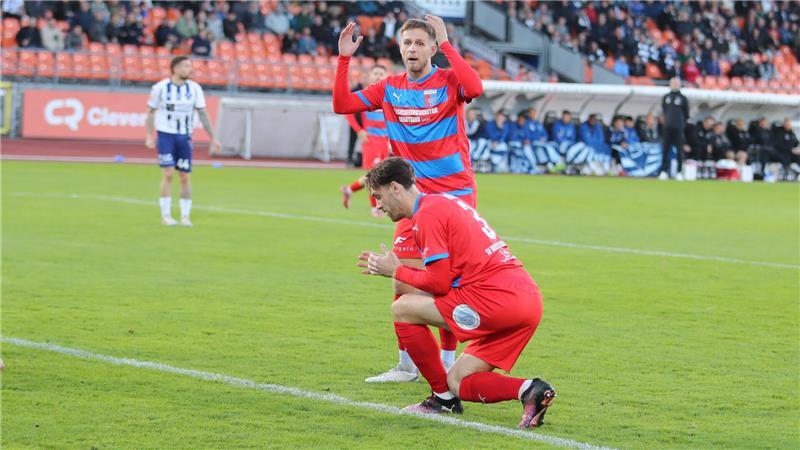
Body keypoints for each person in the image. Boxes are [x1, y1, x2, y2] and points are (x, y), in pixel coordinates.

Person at [333, 16, 484, 383]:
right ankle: (406, 366)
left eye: (420, 43)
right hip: (412, 199)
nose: (412, 49)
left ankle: (448, 361)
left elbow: (475, 87)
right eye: (407, 43)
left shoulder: (449, 81)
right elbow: (342, 105)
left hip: (454, 194)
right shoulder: (389, 88)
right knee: (401, 280)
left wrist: (448, 43)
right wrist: (343, 60)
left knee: (448, 281)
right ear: (399, 48)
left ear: (432, 48)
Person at [358, 157, 556, 426]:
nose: (378, 205)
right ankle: (530, 390)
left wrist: (396, 270)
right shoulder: (443, 203)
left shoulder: (425, 215)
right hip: (526, 298)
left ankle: (442, 400)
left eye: (377, 196)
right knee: (458, 380)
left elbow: (438, 284)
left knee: (402, 308)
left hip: (495, 298)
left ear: (395, 187)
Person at [145, 56, 222, 227]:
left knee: (185, 176)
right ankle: (166, 216)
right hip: (165, 135)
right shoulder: (160, 88)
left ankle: (185, 217)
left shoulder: (195, 89)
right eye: (186, 66)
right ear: (176, 69)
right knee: (168, 173)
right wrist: (150, 135)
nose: (190, 69)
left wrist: (213, 137)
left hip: (184, 135)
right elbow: (150, 112)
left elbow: (202, 113)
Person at [340, 65, 391, 217]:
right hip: (371, 142)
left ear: (386, 77)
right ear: (369, 77)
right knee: (375, 175)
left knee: (379, 175)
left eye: (381, 74)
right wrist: (359, 130)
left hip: (384, 142)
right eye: (375, 73)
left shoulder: (389, 96)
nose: (378, 76)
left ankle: (350, 189)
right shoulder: (365, 96)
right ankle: (374, 206)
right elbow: (347, 112)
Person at [658, 77, 690, 180]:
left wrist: (680, 123)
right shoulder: (666, 97)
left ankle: (679, 172)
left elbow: (686, 114)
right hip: (667, 128)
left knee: (679, 151)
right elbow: (664, 110)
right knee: (665, 150)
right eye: (673, 83)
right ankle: (664, 171)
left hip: (678, 128)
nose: (675, 85)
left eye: (676, 83)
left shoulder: (683, 98)